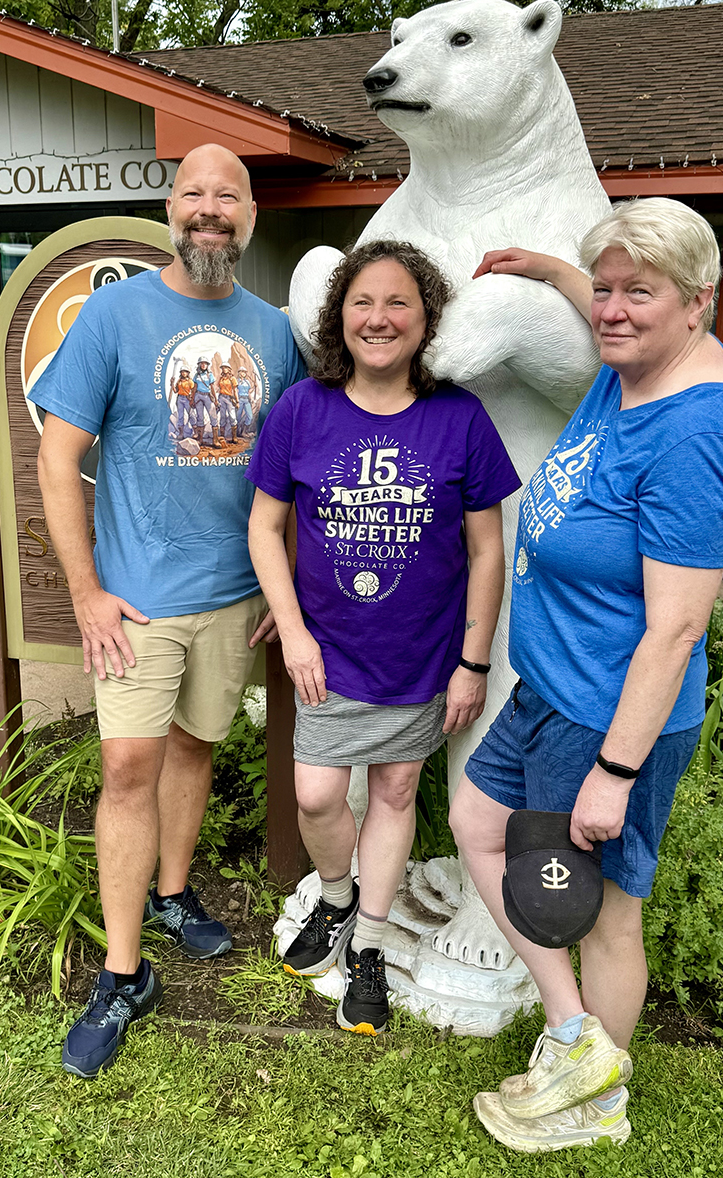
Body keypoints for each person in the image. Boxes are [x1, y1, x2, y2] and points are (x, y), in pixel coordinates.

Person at [450, 197, 723, 1151]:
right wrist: (552, 270)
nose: (613, 309)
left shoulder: (695, 435)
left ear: (699, 302)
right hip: (550, 687)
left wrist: (614, 773)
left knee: (602, 914)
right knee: (474, 821)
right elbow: (604, 297)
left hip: (609, 714)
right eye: (607, 291)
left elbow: (674, 630)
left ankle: (596, 1098)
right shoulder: (628, 370)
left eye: (641, 292)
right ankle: (574, 1034)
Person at [32, 143, 306, 1078]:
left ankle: (174, 894)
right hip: (137, 608)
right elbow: (54, 458)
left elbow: (300, 468)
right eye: (194, 193)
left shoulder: (275, 332)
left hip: (234, 599)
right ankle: (121, 974)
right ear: (171, 207)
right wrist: (85, 592)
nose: (210, 210)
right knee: (126, 767)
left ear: (251, 214)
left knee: (196, 747)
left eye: (228, 196)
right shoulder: (112, 315)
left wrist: (288, 586)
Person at [247, 240, 520, 1034]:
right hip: (326, 656)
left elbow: (486, 548)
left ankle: (365, 943)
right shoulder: (302, 410)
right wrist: (294, 634)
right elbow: (265, 528)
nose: (379, 317)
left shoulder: (459, 418)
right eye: (363, 301)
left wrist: (473, 661)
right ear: (340, 316)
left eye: (399, 302)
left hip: (420, 654)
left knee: (396, 792)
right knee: (318, 794)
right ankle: (336, 894)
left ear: (425, 318)